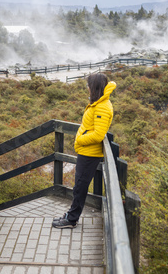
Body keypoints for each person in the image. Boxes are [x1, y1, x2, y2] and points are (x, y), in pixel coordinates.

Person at [52, 73, 116, 229]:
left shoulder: (102, 106)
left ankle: (71, 219)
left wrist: (80, 139)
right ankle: (71, 216)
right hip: (88, 152)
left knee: (80, 186)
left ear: (94, 87)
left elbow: (99, 135)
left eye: (88, 85)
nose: (87, 88)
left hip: (90, 153)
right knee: (79, 185)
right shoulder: (98, 103)